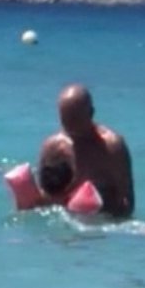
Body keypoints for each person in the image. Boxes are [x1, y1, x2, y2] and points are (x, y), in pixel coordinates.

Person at [56, 84, 134, 218]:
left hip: (104, 222)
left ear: (91, 113)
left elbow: (128, 202)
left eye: (74, 119)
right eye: (65, 119)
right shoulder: (56, 147)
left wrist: (104, 212)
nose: (69, 126)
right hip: (67, 218)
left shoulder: (112, 147)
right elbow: (49, 197)